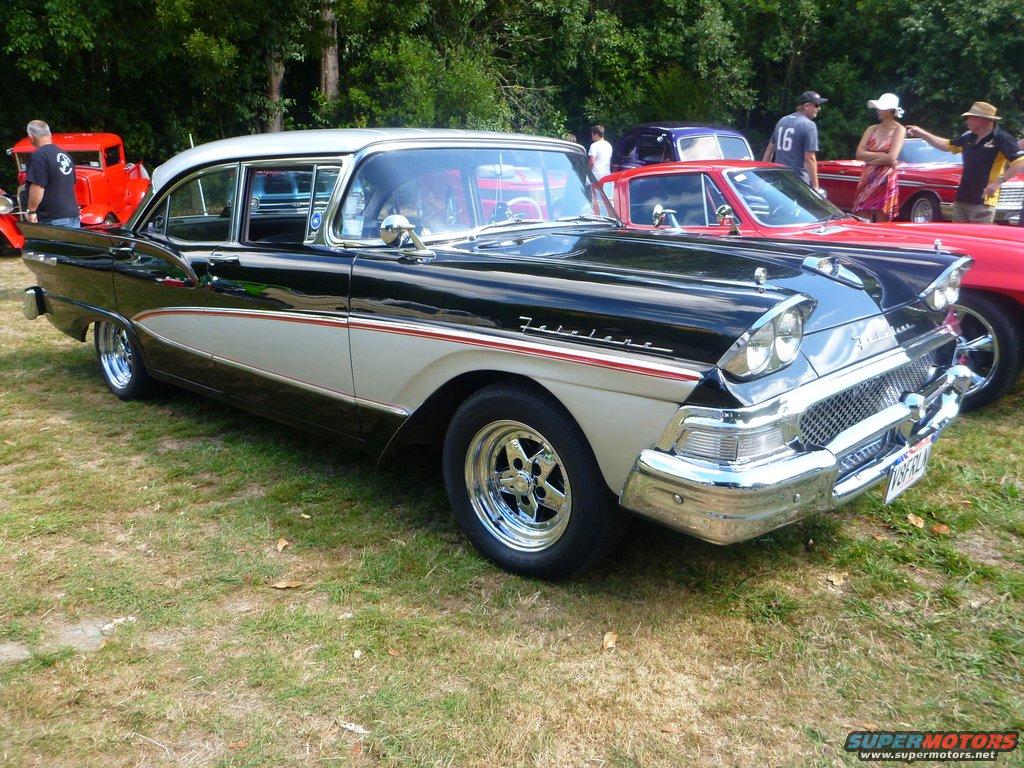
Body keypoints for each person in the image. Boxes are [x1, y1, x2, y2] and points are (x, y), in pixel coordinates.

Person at [907, 102, 1024, 224]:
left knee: (977, 234)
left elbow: (1019, 161)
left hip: (983, 201)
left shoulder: (1002, 138)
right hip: (961, 198)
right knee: (957, 234)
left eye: (969, 118)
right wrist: (922, 133)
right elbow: (945, 145)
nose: (966, 121)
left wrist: (997, 183)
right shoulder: (968, 138)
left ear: (980, 120)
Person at [851, 93, 907, 221]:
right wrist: (883, 156)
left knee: (882, 219)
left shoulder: (899, 129)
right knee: (861, 215)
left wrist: (870, 157)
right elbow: (859, 154)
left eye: (881, 108)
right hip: (867, 178)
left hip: (885, 178)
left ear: (890, 110)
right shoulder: (871, 129)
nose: (878, 110)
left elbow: (892, 157)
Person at [763, 91, 827, 191]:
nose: (819, 108)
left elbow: (769, 150)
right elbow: (809, 158)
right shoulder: (809, 125)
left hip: (779, 179)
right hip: (798, 183)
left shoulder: (782, 121)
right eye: (816, 105)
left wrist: (763, 174)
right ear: (806, 106)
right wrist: (815, 187)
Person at [24, 120, 80, 227]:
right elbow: (71, 185)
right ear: (49, 134)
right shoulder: (65, 154)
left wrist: (31, 211)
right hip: (73, 216)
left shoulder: (39, 155)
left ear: (31, 137)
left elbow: (38, 187)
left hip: (52, 219)